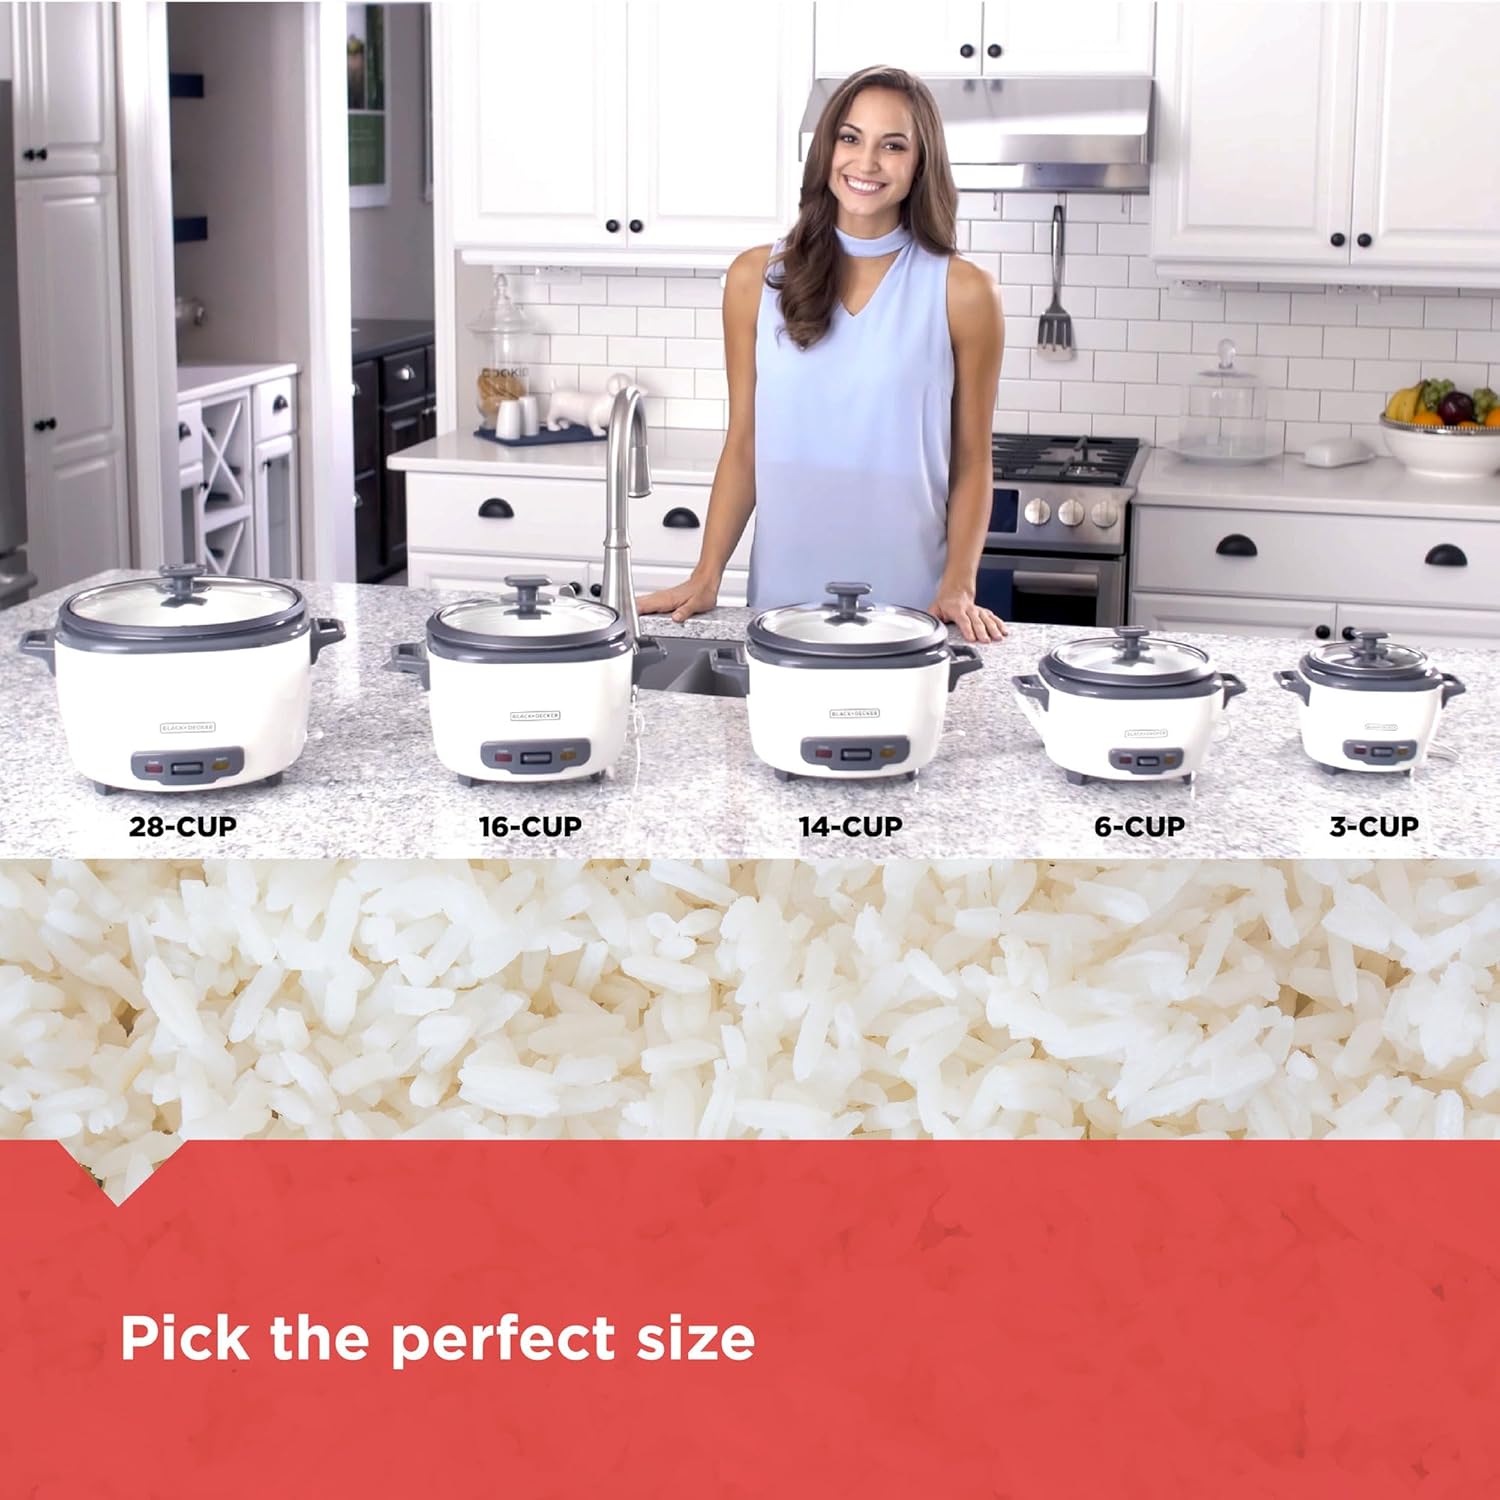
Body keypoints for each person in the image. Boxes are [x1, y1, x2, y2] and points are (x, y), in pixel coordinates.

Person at [635, 64, 1007, 644]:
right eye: (850, 138)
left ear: (920, 163)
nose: (866, 163)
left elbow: (972, 461)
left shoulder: (964, 292)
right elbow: (745, 445)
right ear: (826, 148)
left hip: (912, 611)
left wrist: (958, 584)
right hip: (783, 605)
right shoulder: (756, 277)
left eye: (893, 145)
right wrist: (707, 575)